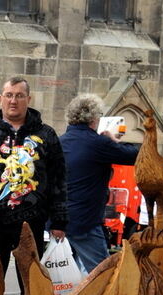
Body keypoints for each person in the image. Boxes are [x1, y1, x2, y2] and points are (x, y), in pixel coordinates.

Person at [0, 77, 68, 278]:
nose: (13, 101)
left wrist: (59, 222)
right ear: (1, 99)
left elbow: (59, 180)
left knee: (32, 287)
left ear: (28, 98)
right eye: (9, 95)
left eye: (19, 96)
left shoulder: (47, 136)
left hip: (32, 223)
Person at [59, 94, 139, 273]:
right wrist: (114, 140)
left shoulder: (59, 142)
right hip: (84, 222)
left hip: (59, 222)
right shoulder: (97, 143)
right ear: (94, 118)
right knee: (103, 274)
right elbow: (135, 155)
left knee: (67, 275)